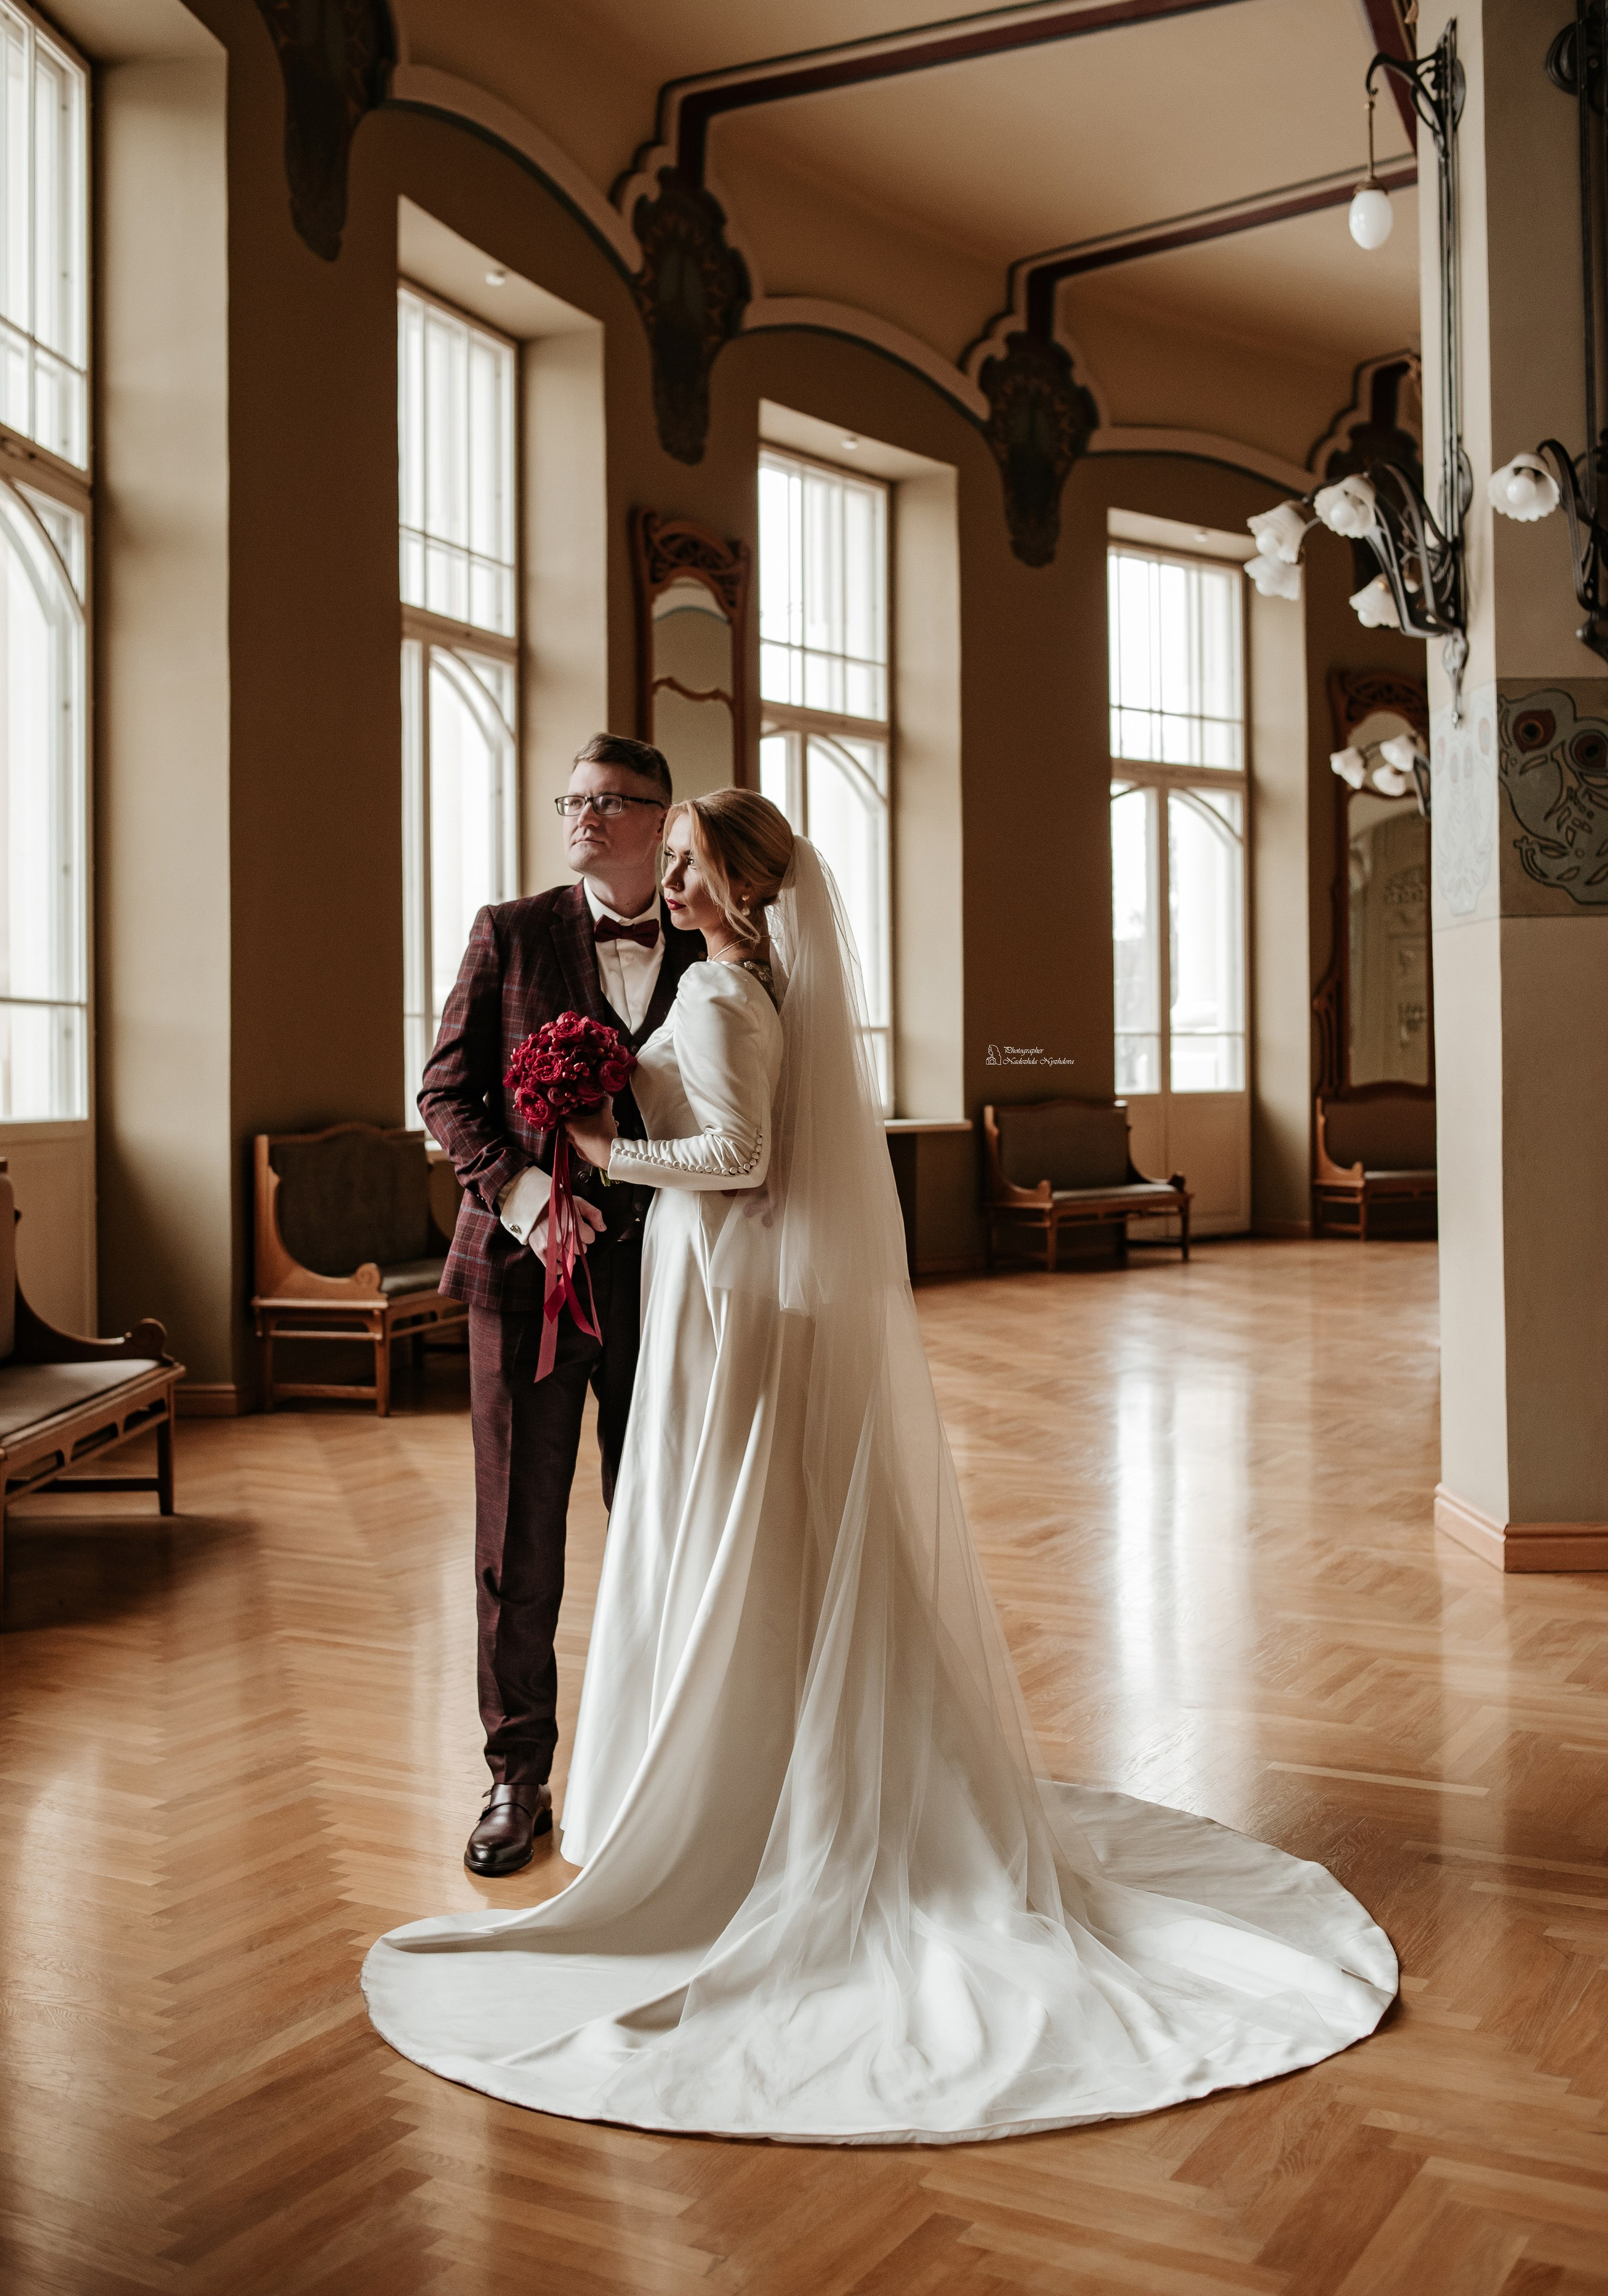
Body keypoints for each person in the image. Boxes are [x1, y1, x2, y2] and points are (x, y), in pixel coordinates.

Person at [367, 792, 1396, 2143]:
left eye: (683, 860)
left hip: (715, 1287)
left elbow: (731, 1159)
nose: (667, 879)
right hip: (699, 1284)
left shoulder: (728, 996)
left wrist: (604, 1143)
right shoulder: (733, 981)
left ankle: (741, 1792)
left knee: (726, 1523)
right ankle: (735, 1763)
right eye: (662, 857)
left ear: (736, 881)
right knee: (721, 1523)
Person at [418, 734, 703, 1878]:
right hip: (523, 1278)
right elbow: (446, 1091)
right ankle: (515, 1775)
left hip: (672, 1281)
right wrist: (528, 1194)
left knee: (659, 1521)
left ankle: (656, 1766)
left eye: (612, 801)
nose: (584, 817)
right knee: (517, 1541)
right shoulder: (511, 928)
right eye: (572, 801)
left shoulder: (714, 941)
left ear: (661, 817)